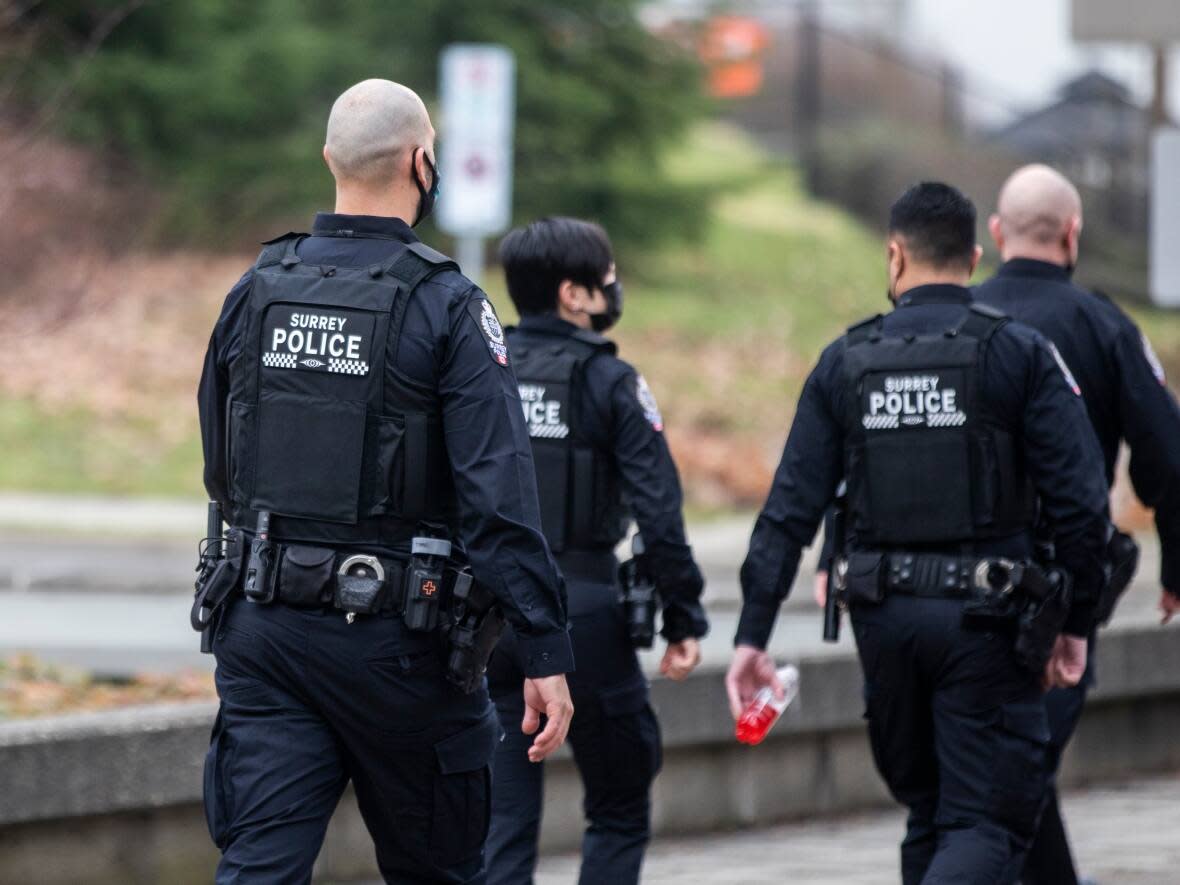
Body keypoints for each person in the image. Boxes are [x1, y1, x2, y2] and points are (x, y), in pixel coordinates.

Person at [196, 79, 574, 885]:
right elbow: (498, 498)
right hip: (402, 650)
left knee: (259, 866)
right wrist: (544, 646)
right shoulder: (446, 304)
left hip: (265, 631)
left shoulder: (256, 290)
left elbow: (219, 461)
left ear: (330, 158)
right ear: (421, 162)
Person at [728, 182, 1110, 884]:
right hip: (989, 625)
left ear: (895, 256)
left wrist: (752, 635)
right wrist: (1076, 621)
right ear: (973, 254)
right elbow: (1085, 505)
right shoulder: (1018, 354)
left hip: (885, 622)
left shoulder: (845, 360)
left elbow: (788, 510)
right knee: (985, 823)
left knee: (930, 815)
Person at [484, 217, 709, 885]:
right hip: (583, 613)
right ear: (574, 295)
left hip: (487, 618)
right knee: (617, 805)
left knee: (500, 827)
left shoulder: (479, 372)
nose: (616, 288)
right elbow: (659, 513)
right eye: (606, 277)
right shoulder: (611, 382)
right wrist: (684, 617)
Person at [974, 164, 1180, 885]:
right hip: (1062, 586)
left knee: (1003, 770)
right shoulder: (1103, 323)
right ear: (1073, 232)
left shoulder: (957, 322)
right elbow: (1168, 453)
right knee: (1020, 768)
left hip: (950, 584)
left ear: (996, 235)